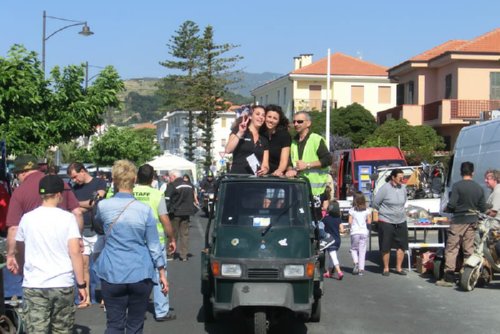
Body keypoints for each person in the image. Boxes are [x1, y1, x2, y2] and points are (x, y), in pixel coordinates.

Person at [93, 160, 168, 333]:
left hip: (112, 271)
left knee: (114, 324)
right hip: (139, 271)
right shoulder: (144, 210)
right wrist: (161, 272)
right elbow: (154, 245)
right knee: (135, 324)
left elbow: (99, 227)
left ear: (114, 180)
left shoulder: (103, 206)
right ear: (134, 179)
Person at [13, 174, 86, 334]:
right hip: (62, 283)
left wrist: (22, 269)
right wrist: (81, 284)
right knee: (62, 330)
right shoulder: (67, 218)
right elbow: (75, 252)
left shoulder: (27, 218)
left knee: (36, 330)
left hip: (35, 283)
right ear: (59, 195)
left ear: (41, 195)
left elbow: (19, 248)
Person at [6, 154, 81, 281]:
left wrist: (10, 254)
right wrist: (77, 238)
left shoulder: (19, 192)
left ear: (22, 172)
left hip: (35, 268)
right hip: (62, 270)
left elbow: (14, 228)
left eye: (17, 175)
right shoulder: (59, 184)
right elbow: (77, 212)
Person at [133, 164, 177, 321]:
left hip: (135, 240)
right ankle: (161, 311)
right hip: (155, 241)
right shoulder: (157, 194)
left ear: (137, 177)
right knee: (160, 274)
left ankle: (137, 310)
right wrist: (171, 238)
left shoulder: (131, 192)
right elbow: (164, 219)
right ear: (153, 178)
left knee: (137, 276)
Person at [436, 161, 487, 287]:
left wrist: (449, 209)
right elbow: (482, 207)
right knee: (468, 248)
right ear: (473, 173)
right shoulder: (478, 187)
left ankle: (449, 277)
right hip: (472, 221)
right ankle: (466, 274)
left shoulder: (457, 186)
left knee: (452, 248)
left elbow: (452, 204)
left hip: (459, 220)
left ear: (461, 172)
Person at [67, 162, 107, 308]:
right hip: (81, 231)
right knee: (83, 266)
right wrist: (86, 205)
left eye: (75, 176)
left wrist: (78, 204)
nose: (74, 180)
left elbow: (96, 202)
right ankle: (86, 298)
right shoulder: (73, 188)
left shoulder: (99, 182)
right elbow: (74, 207)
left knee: (101, 265)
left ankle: (105, 297)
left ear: (83, 171)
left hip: (98, 231)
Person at [285, 111, 332, 217]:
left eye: (300, 121)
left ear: (308, 123)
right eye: (294, 121)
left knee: (314, 223)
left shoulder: (316, 139)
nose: (296, 124)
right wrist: (290, 170)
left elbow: (328, 160)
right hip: (298, 190)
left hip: (315, 192)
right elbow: (290, 162)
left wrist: (307, 165)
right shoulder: (293, 142)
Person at [372, 168, 408, 276]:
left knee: (402, 245)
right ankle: (386, 268)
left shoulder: (403, 188)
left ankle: (398, 268)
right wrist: (385, 213)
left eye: (403, 177)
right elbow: (375, 203)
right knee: (386, 245)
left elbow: (404, 201)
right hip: (386, 221)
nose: (402, 179)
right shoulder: (385, 188)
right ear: (393, 177)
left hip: (401, 220)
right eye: (400, 177)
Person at [225, 105, 269, 175]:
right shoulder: (238, 130)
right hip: (237, 178)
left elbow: (265, 165)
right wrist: (240, 133)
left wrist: (265, 170)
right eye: (257, 114)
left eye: (263, 116)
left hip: (254, 180)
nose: (261, 117)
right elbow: (228, 150)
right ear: (250, 116)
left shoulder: (264, 139)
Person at [165, 170, 197, 261]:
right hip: (187, 212)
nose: (170, 179)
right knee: (185, 234)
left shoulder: (172, 185)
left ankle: (170, 254)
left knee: (172, 234)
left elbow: (167, 199)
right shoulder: (189, 185)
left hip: (175, 213)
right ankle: (184, 255)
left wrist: (166, 212)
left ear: (174, 176)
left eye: (170, 177)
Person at [262, 104, 291, 176]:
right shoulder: (260, 133)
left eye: (275, 118)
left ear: (279, 121)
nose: (271, 120)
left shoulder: (284, 136)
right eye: (269, 117)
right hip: (260, 174)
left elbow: (284, 160)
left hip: (276, 176)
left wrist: (279, 170)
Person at [348, 192, 372, 276]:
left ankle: (356, 262)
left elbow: (350, 222)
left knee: (353, 249)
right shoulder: (367, 210)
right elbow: (369, 221)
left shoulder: (352, 210)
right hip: (364, 232)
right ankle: (361, 269)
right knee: (362, 250)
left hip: (355, 232)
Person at [322, 201, 345, 280]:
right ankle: (329, 272)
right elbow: (342, 230)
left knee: (333, 256)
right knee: (332, 256)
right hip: (337, 240)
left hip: (329, 240)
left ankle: (339, 271)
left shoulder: (325, 219)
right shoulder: (338, 219)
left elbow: (321, 228)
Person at [484, 169, 500, 256]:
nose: (485, 181)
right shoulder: (494, 191)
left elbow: (493, 212)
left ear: (495, 179)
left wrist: (482, 215)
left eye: (488, 178)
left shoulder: (498, 192)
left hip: (495, 224)